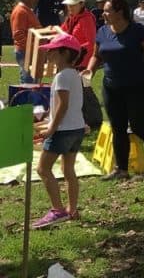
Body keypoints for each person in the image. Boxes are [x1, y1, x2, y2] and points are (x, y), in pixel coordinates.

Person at [84, 0, 144, 180]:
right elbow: (96, 56)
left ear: (120, 12)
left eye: (107, 11)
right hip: (111, 87)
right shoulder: (102, 32)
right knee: (118, 127)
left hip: (138, 86)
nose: (103, 14)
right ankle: (121, 169)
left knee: (138, 125)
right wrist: (89, 70)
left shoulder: (138, 31)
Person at [32, 34, 88, 228]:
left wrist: (51, 128)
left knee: (43, 169)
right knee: (68, 170)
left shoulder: (62, 75)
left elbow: (63, 105)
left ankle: (57, 211)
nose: (48, 52)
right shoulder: (74, 74)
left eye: (52, 50)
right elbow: (64, 103)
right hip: (76, 128)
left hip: (63, 130)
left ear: (64, 53)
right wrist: (48, 113)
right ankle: (72, 210)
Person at [10, 0, 41, 84]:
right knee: (28, 81)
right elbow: (18, 35)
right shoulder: (20, 11)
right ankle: (26, 99)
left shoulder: (27, 10)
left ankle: (30, 99)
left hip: (31, 51)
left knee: (32, 81)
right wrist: (31, 49)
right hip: (26, 52)